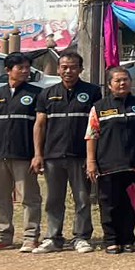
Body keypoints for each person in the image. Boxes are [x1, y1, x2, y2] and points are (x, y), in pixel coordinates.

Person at [32, 53, 100, 254]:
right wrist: (38, 154)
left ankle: (81, 237)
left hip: (80, 155)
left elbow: (95, 126)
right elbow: (40, 125)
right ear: (58, 69)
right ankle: (53, 238)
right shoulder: (46, 93)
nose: (68, 71)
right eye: (64, 67)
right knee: (54, 200)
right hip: (53, 155)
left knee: (82, 198)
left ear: (81, 69)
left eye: (73, 67)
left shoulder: (93, 92)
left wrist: (92, 157)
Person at [85, 68, 135, 253]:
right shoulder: (99, 107)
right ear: (109, 85)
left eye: (125, 79)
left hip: (134, 164)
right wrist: (91, 162)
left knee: (131, 204)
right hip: (108, 164)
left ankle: (128, 239)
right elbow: (92, 135)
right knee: (109, 204)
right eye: (118, 80)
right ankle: (111, 239)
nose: (122, 83)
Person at [0, 52, 43, 251]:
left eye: (27, 68)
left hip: (24, 155)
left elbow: (40, 127)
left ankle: (31, 236)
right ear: (8, 70)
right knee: (0, 197)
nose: (25, 71)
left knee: (29, 198)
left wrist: (37, 154)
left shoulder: (36, 94)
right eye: (20, 68)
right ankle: (3, 235)